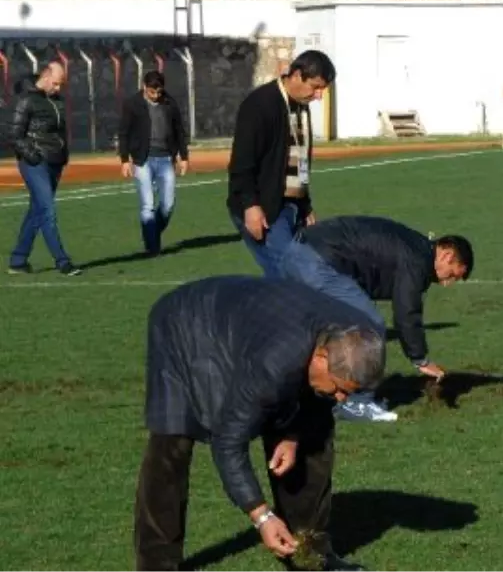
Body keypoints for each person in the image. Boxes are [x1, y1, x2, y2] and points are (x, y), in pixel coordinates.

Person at [133, 275, 383, 572]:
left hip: (256, 326)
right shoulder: (273, 367)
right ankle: (157, 564)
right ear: (320, 356)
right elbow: (228, 442)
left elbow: (318, 396)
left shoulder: (364, 339)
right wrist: (261, 515)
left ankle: (311, 556)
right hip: (184, 325)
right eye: (339, 388)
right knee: (171, 443)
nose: (342, 400)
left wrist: (292, 434)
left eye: (349, 392)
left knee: (314, 435)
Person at [278, 215, 474, 423]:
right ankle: (358, 403)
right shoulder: (417, 260)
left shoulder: (415, 248)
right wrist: (420, 358)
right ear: (446, 254)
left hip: (298, 253)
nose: (447, 284)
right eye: (451, 275)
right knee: (369, 325)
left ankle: (298, 393)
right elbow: (406, 311)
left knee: (317, 331)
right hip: (318, 261)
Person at [227, 50, 335, 278]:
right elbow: (241, 163)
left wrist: (305, 204)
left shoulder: (300, 105)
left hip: (291, 206)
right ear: (296, 75)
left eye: (323, 89)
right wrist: (250, 206)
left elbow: (299, 159)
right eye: (315, 87)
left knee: (290, 275)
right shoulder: (259, 105)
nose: (319, 96)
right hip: (265, 208)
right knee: (290, 275)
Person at [5, 61, 81, 276]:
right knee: (47, 211)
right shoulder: (26, 100)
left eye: (61, 85)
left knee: (37, 211)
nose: (58, 88)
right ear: (46, 77)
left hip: (55, 161)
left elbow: (60, 132)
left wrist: (63, 155)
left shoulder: (56, 101)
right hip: (35, 162)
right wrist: (33, 156)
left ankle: (18, 260)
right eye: (56, 84)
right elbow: (14, 135)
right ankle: (62, 261)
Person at [118, 70, 190, 256]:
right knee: (147, 206)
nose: (156, 96)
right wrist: (125, 160)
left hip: (166, 158)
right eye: (152, 92)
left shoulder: (169, 103)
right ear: (144, 87)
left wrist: (184, 156)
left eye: (159, 92)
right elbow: (124, 132)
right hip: (143, 160)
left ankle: (152, 232)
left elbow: (179, 131)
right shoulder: (132, 104)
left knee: (168, 205)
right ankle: (153, 247)